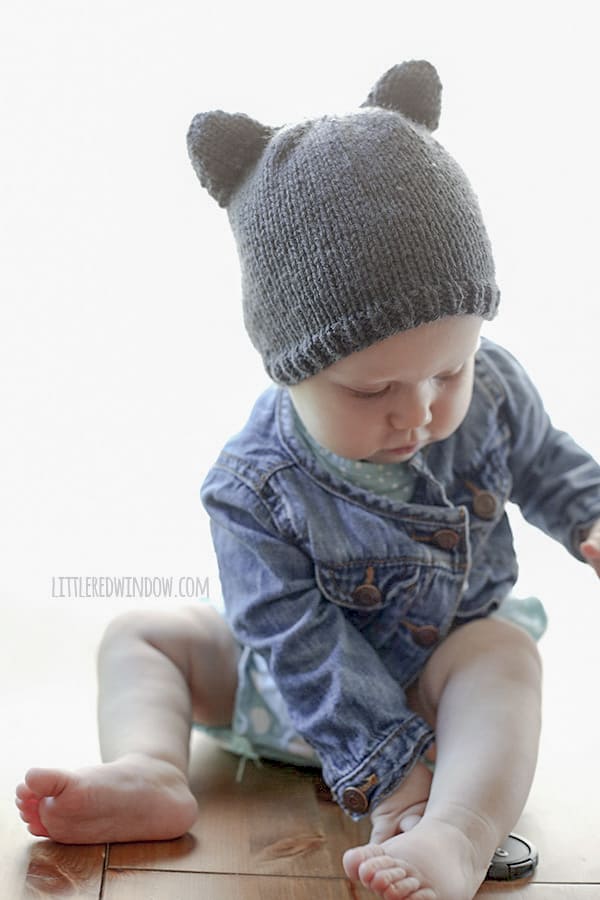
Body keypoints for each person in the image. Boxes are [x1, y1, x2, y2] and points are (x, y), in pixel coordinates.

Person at [15, 60, 600, 900]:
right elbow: (285, 635)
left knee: (504, 654)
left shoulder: (494, 389)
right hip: (288, 688)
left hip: (439, 685)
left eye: (452, 368)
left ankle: (459, 830)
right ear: (289, 370)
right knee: (142, 631)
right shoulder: (253, 485)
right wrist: (390, 768)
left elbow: (548, 459)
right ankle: (149, 768)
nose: (422, 412)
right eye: (373, 390)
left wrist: (590, 513)